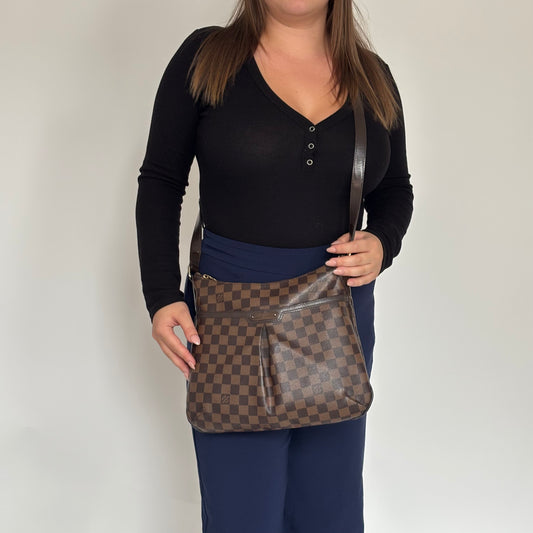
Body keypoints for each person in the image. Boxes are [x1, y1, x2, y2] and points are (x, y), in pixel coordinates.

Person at [135, 1, 414, 531]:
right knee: (242, 512)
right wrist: (162, 294)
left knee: (329, 510)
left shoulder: (373, 78)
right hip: (231, 316)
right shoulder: (207, 57)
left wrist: (383, 242)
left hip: (338, 314)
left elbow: (395, 189)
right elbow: (161, 181)